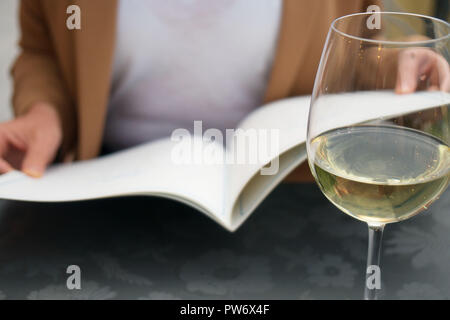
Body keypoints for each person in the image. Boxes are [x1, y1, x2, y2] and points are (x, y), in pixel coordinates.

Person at [1, 0, 449, 181]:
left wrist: (403, 59)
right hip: (107, 195)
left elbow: (357, 50)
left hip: (284, 196)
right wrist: (46, 112)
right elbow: (42, 49)